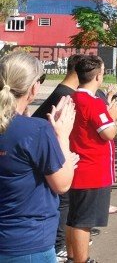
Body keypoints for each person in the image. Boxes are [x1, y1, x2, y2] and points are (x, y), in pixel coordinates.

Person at [0, 52, 77, 263]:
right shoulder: (36, 131)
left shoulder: (29, 129)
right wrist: (63, 136)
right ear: (34, 87)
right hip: (28, 242)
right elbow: (62, 184)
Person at [66, 55, 117, 263]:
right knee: (84, 221)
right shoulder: (92, 102)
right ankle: (81, 260)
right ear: (98, 76)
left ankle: (73, 257)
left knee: (75, 218)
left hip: (78, 167)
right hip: (92, 170)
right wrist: (113, 115)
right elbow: (108, 133)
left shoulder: (71, 98)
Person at [31, 54, 84, 259]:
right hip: (52, 158)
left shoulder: (63, 92)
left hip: (51, 155)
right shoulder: (65, 96)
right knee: (63, 201)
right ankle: (59, 244)